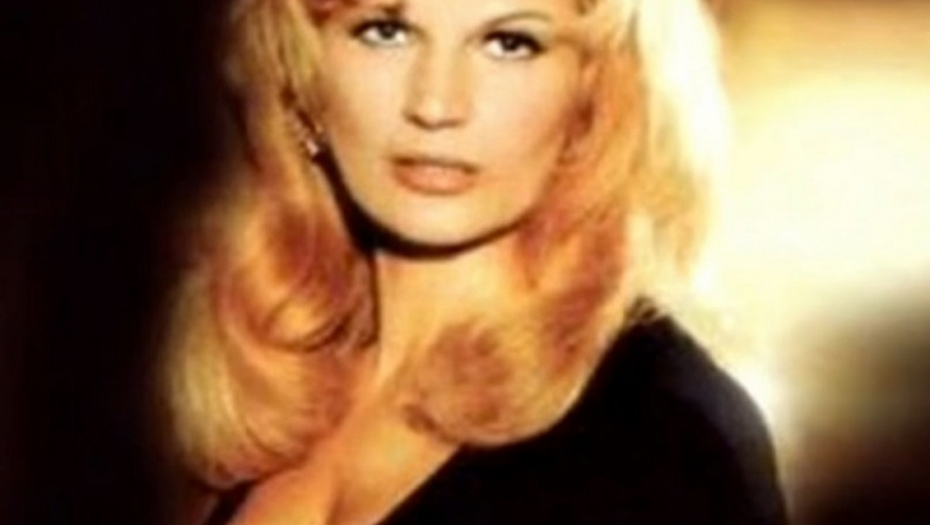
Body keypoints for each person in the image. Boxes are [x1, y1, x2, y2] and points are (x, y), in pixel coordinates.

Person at [160, 0, 786, 524]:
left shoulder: (666, 436)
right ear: (299, 77)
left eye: (509, 43)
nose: (436, 104)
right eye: (385, 31)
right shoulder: (262, 383)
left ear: (593, 96)